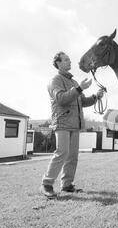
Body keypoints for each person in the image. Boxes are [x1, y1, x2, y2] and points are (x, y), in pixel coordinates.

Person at [40, 51, 104, 198]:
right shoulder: (55, 80)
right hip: (62, 122)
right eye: (66, 60)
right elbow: (61, 99)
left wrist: (95, 97)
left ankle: (67, 185)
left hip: (75, 124)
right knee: (61, 153)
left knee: (73, 156)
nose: (70, 62)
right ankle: (47, 184)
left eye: (69, 59)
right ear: (58, 63)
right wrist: (80, 88)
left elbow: (82, 101)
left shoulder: (74, 83)